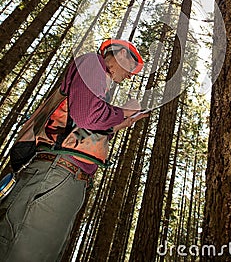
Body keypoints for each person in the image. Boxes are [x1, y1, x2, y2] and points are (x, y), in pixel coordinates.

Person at [0, 39, 148, 262]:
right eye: (131, 65)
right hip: (57, 174)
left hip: (62, 177)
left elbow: (81, 132)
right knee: (26, 252)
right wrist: (124, 112)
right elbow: (87, 116)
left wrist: (120, 123)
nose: (130, 75)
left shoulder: (98, 86)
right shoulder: (92, 64)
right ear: (117, 56)